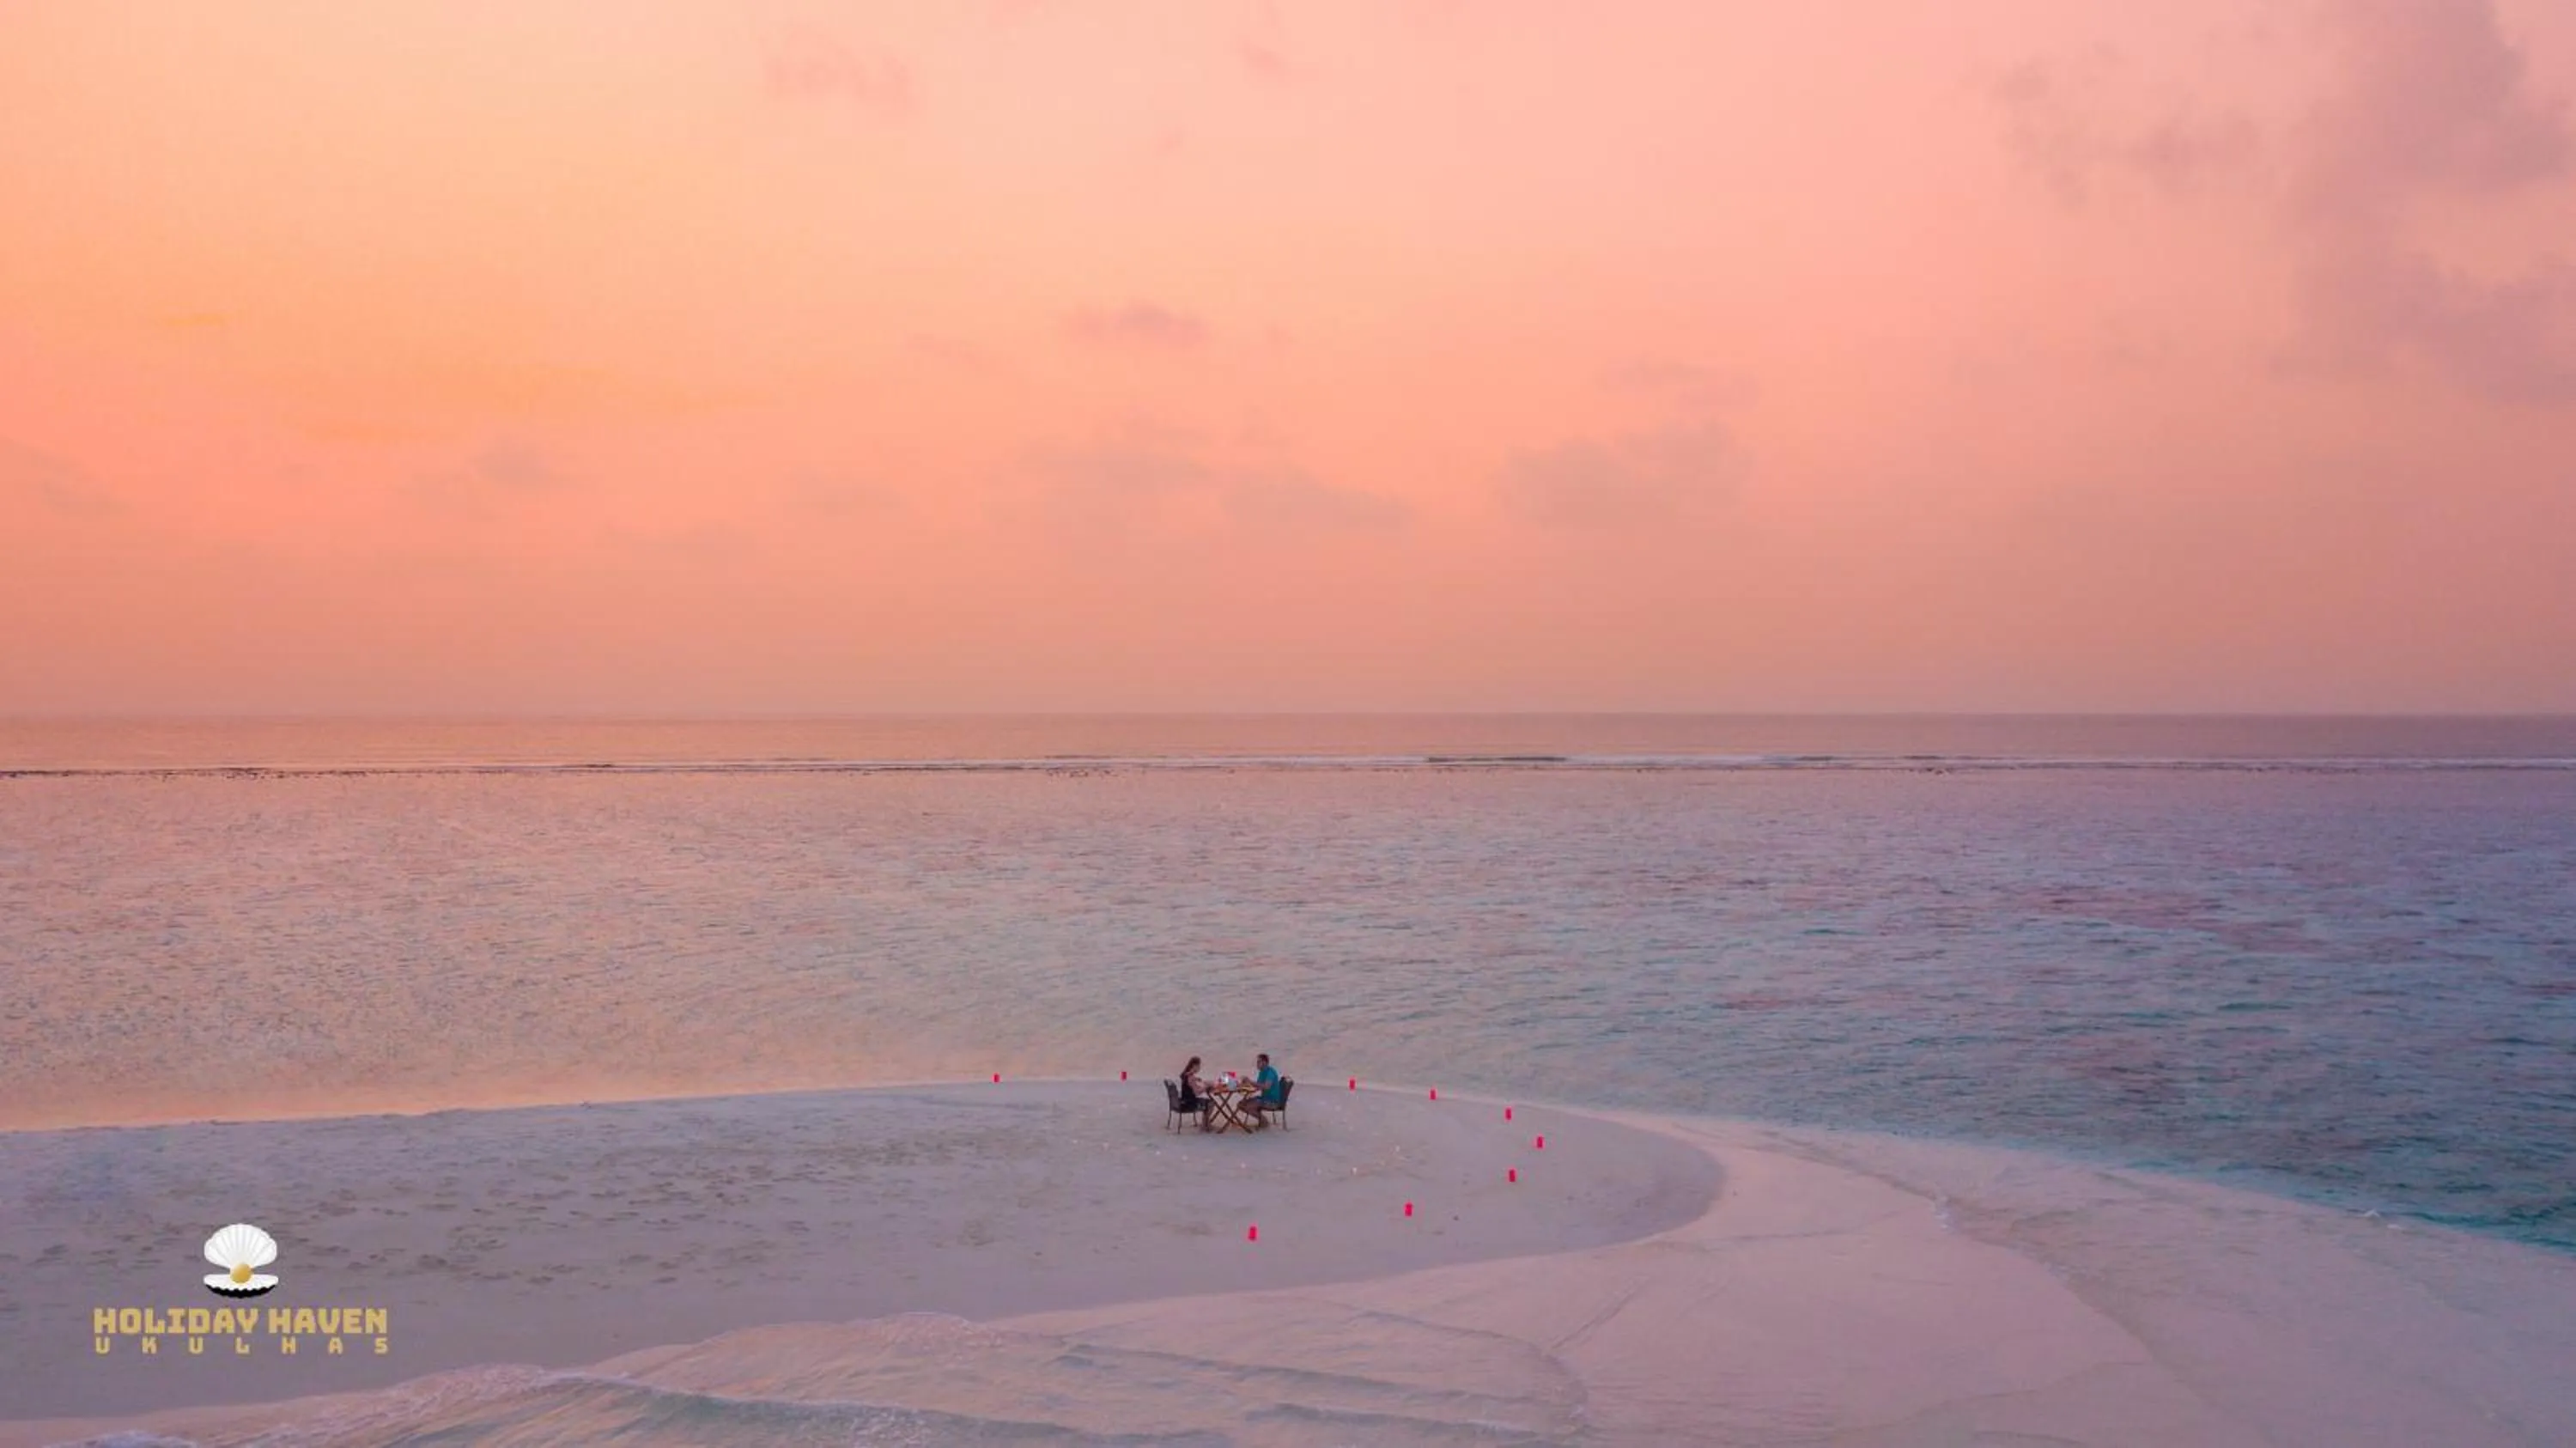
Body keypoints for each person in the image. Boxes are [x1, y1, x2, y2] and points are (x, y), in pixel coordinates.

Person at [1244, 1052, 1285, 1125]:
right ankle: (1263, 1121)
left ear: (1265, 1062)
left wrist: (1251, 1082)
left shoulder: (1270, 1072)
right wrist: (1246, 1084)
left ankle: (1264, 1121)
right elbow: (1258, 1086)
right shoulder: (1262, 1072)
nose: (1257, 1064)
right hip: (1264, 1098)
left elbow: (1266, 1086)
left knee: (1248, 1106)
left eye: (1259, 1062)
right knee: (1241, 1104)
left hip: (1272, 1102)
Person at [1177, 1056, 1212, 1129]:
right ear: (1194, 1066)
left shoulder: (1186, 1074)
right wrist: (1206, 1087)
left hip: (1185, 1100)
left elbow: (1190, 1086)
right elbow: (1197, 1093)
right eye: (1199, 1066)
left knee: (1208, 1101)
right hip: (1190, 1103)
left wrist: (1197, 1080)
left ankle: (1205, 1123)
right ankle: (1206, 1124)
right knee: (1211, 1102)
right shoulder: (1191, 1077)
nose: (1199, 1068)